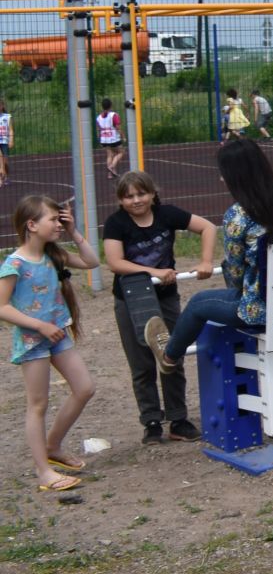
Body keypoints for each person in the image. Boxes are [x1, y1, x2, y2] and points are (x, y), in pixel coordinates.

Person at [145, 138, 273, 376]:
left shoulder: (239, 215)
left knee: (197, 305)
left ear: (235, 176)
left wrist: (238, 290)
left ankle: (169, 356)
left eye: (223, 173)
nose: (222, 178)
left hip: (265, 309)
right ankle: (171, 352)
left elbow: (235, 269)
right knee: (212, 296)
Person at [100, 171, 217, 445]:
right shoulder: (116, 223)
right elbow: (115, 262)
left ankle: (178, 419)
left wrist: (206, 261)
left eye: (141, 194)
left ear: (152, 194)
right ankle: (151, 421)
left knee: (171, 356)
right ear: (120, 200)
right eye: (128, 196)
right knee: (141, 362)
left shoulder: (167, 215)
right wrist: (153, 270)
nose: (136, 200)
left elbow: (208, 228)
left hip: (165, 298)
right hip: (132, 299)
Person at [2, 194, 100, 492]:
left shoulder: (53, 255)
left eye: (60, 220)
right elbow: (2, 306)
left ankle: (53, 446)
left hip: (58, 336)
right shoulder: (14, 264)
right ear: (32, 225)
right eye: (53, 220)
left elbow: (92, 261)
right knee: (38, 404)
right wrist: (39, 325)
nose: (58, 224)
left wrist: (73, 232)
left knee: (84, 388)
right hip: (34, 342)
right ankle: (44, 472)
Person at [96, 97, 127, 178]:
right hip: (113, 138)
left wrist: (99, 139)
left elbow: (98, 130)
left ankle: (110, 174)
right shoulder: (114, 115)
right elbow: (118, 127)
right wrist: (123, 136)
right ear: (110, 106)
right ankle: (112, 166)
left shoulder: (98, 117)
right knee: (121, 152)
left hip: (104, 139)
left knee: (110, 155)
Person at [0, 97, 12, 186]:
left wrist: (11, 139)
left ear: (2, 106)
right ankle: (1, 178)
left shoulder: (7, 117)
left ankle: (7, 175)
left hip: (4, 141)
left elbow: (11, 130)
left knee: (5, 161)